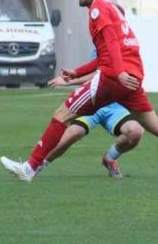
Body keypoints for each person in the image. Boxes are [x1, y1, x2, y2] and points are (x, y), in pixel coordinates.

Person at [0, 0, 158, 182]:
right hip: (132, 77)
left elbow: (112, 44)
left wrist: (119, 73)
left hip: (113, 77)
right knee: (155, 125)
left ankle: (30, 168)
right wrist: (78, 71)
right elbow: (108, 52)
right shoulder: (111, 8)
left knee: (62, 114)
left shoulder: (98, 10)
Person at [45, 48, 144, 178]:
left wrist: (70, 81)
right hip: (94, 101)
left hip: (113, 105)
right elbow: (98, 74)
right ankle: (34, 166)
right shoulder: (100, 46)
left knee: (136, 131)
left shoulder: (124, 46)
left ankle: (110, 159)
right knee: (73, 133)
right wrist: (72, 79)